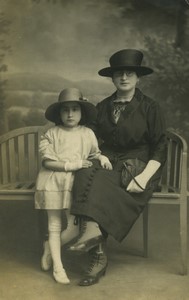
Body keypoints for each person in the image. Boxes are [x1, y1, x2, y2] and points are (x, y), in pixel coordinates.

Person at [66, 49, 167, 286]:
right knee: (84, 170)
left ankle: (95, 250)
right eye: (119, 74)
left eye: (129, 73)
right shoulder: (102, 106)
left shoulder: (150, 107)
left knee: (100, 182)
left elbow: (160, 146)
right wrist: (94, 154)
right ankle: (93, 233)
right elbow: (88, 136)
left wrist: (144, 177)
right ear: (112, 78)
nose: (124, 78)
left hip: (138, 167)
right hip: (109, 161)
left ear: (137, 77)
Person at [34, 87, 112, 284]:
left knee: (74, 228)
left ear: (81, 112)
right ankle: (58, 268)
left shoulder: (87, 134)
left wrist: (101, 157)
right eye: (65, 109)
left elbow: (93, 154)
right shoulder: (51, 133)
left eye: (75, 109)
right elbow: (47, 162)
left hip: (75, 184)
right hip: (52, 180)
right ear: (59, 113)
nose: (70, 114)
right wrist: (73, 165)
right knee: (54, 225)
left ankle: (49, 249)